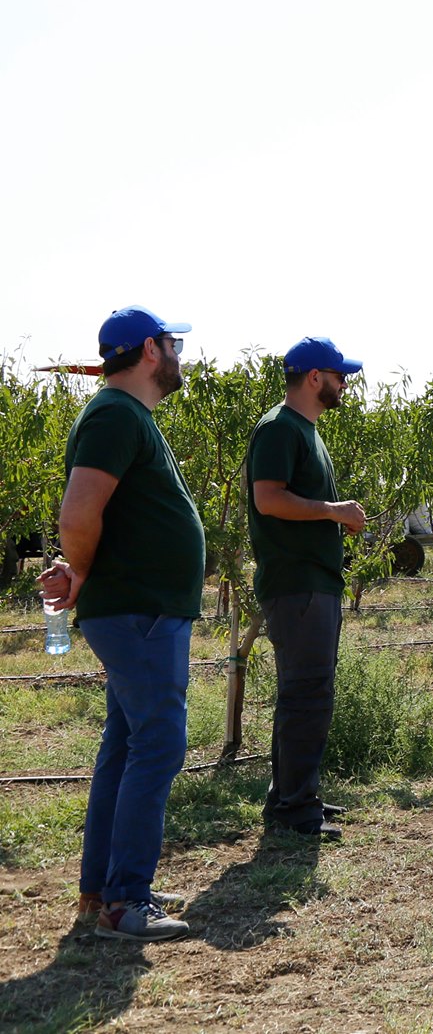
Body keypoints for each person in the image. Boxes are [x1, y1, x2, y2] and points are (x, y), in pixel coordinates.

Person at [39, 307, 201, 941]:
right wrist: (81, 568)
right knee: (158, 743)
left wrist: (83, 570)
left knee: (126, 744)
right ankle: (124, 901)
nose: (180, 353)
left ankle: (103, 890)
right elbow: (78, 513)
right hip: (139, 613)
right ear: (150, 351)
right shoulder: (114, 414)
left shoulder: (126, 415)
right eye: (173, 343)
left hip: (142, 611)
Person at [245, 337, 368, 838]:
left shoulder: (305, 430)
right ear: (314, 377)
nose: (345, 385)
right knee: (306, 695)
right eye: (340, 377)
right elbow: (269, 499)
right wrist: (333, 511)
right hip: (297, 582)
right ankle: (295, 807)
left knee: (307, 693)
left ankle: (294, 796)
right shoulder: (280, 428)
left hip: (313, 581)